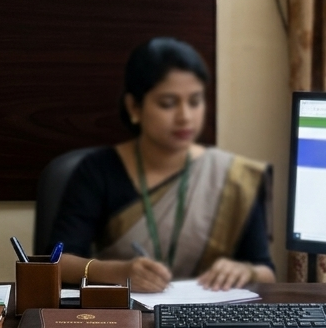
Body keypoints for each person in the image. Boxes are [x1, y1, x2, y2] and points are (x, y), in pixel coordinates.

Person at [52, 38, 276, 293]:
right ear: (134, 106)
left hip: (210, 320)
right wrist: (120, 272)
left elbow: (266, 272)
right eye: (168, 103)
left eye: (195, 101)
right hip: (124, 318)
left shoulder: (233, 177)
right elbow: (57, 262)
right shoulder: (98, 170)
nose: (185, 117)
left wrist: (245, 270)